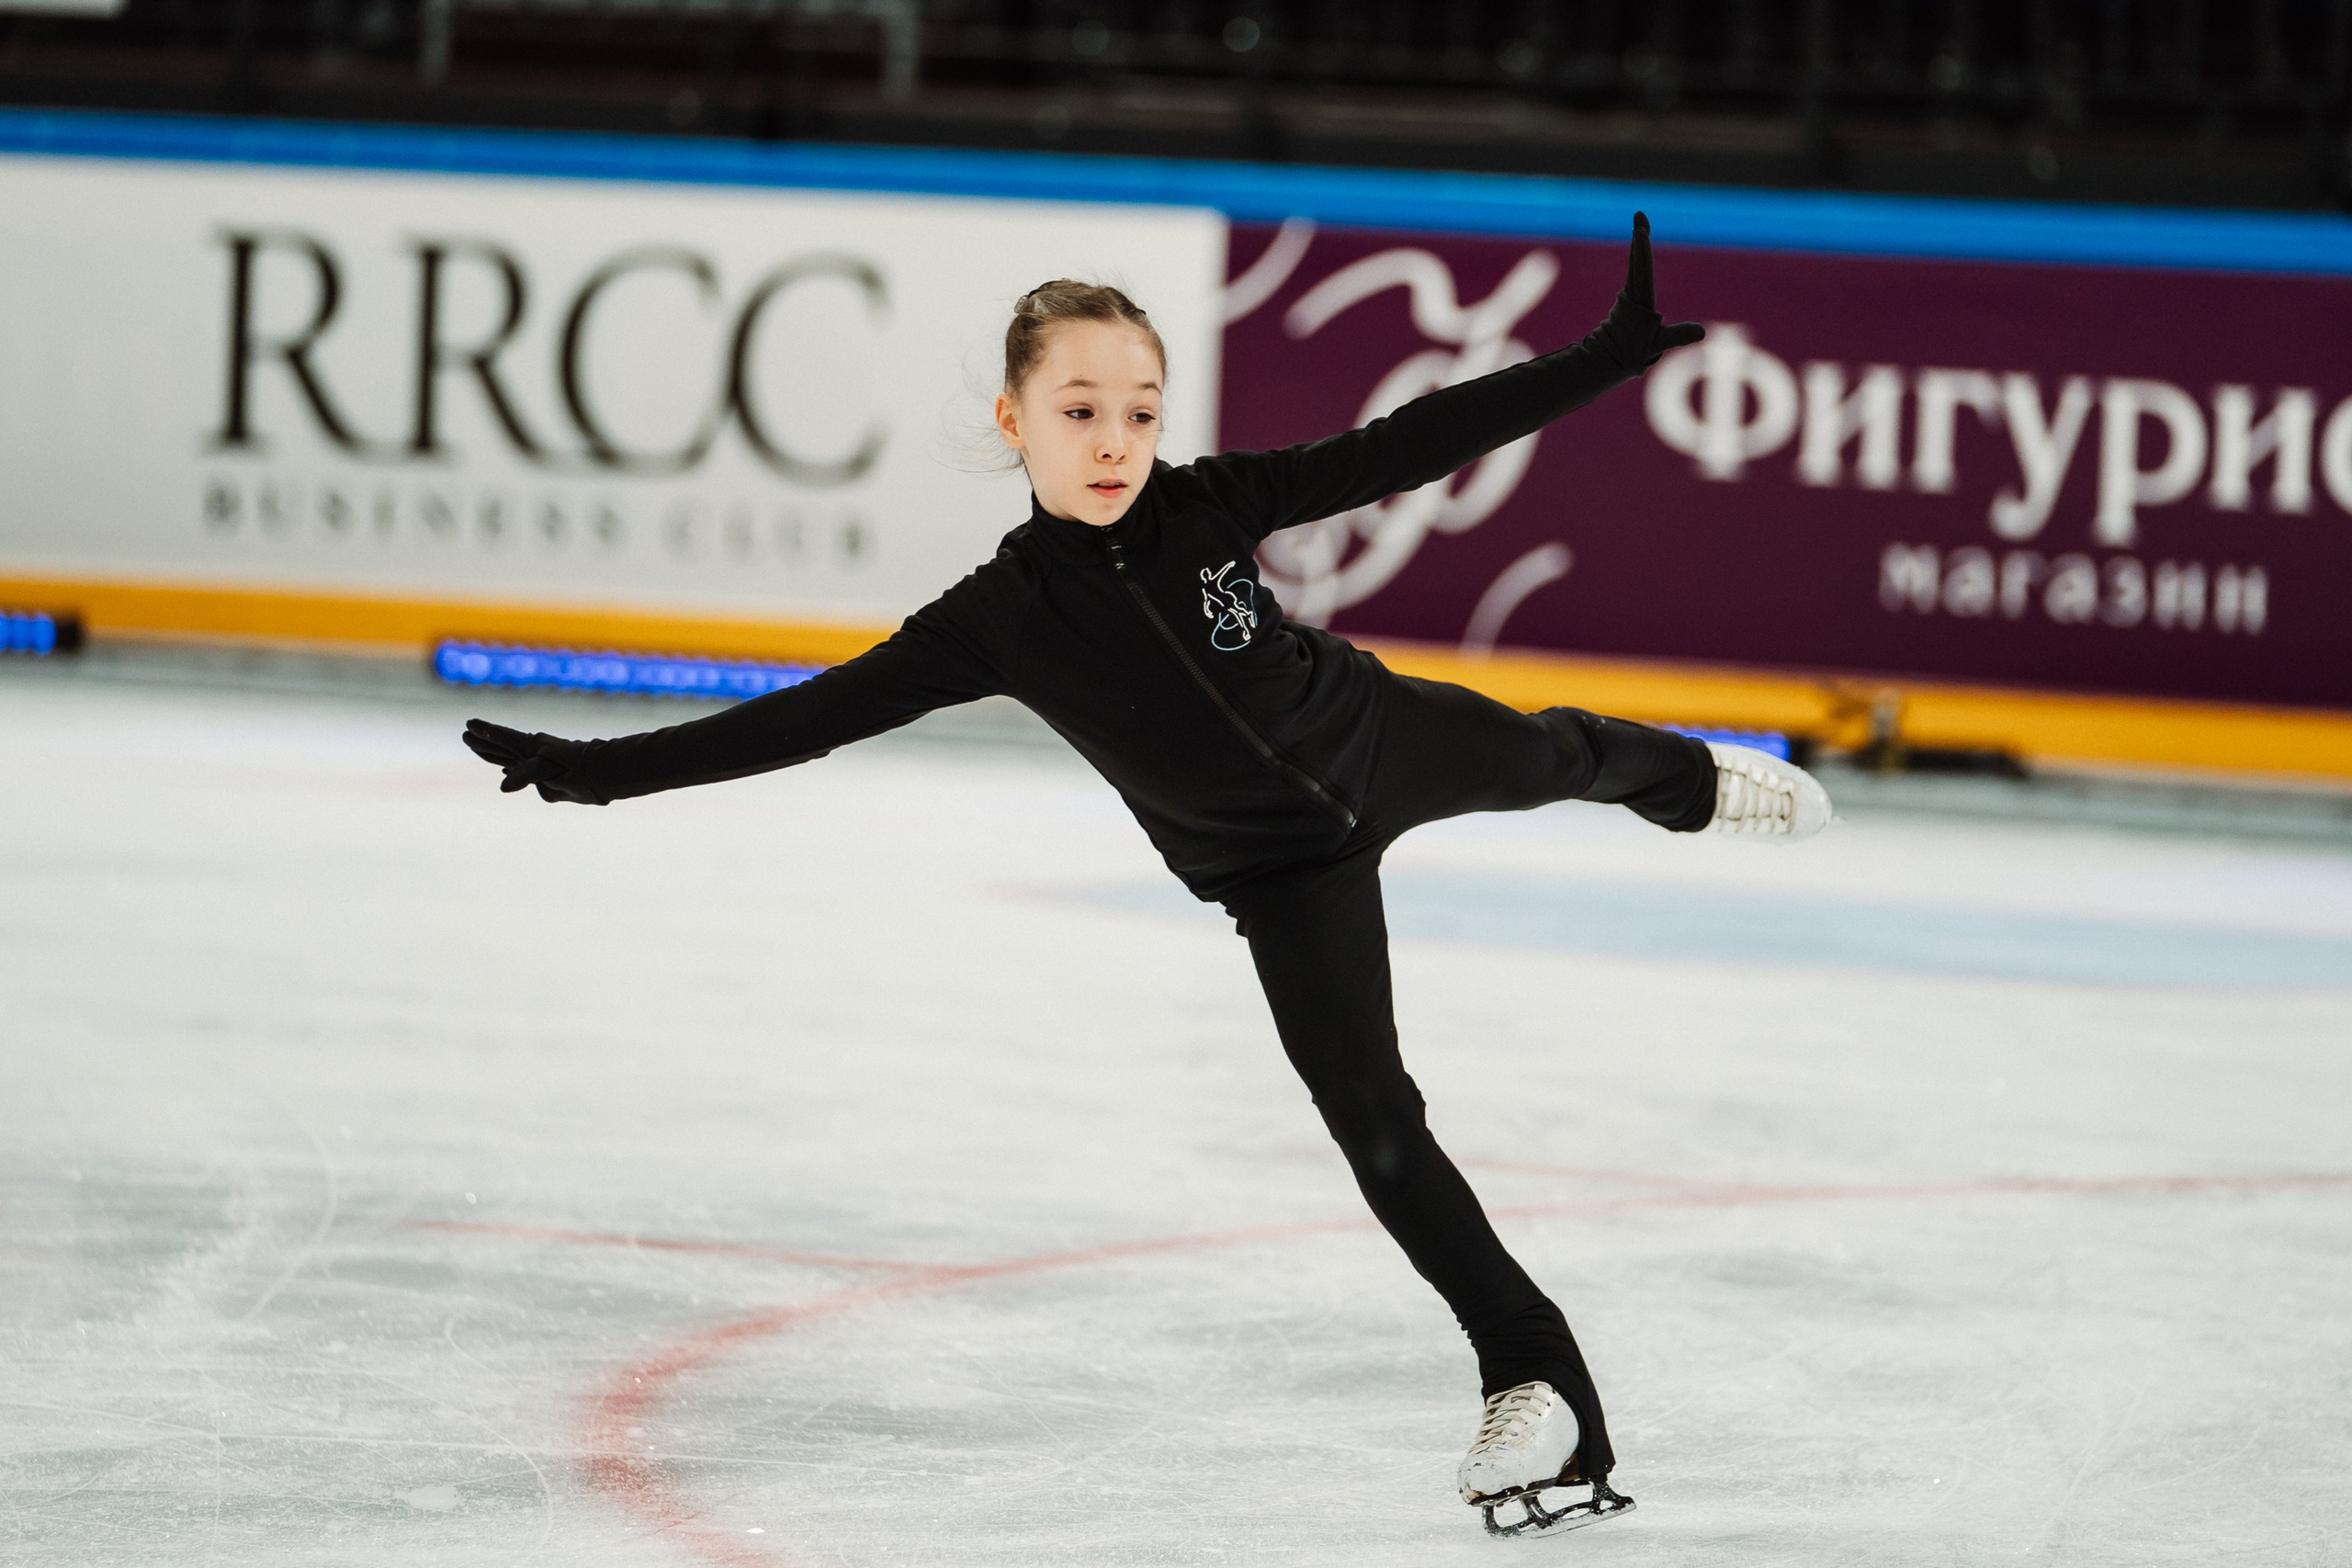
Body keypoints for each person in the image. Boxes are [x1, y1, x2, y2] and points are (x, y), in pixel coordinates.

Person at [462, 213, 1832, 1538]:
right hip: (1281, 875)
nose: (1115, 439)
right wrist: (603, 772)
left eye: (1138, 409)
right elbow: (806, 718)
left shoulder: (1213, 503)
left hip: (1379, 739)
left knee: (1559, 754)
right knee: (1376, 1124)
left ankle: (1693, 784)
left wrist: (1603, 358)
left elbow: (1412, 443)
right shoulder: (998, 618)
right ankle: (1538, 1380)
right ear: (1014, 420)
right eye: (1079, 411)